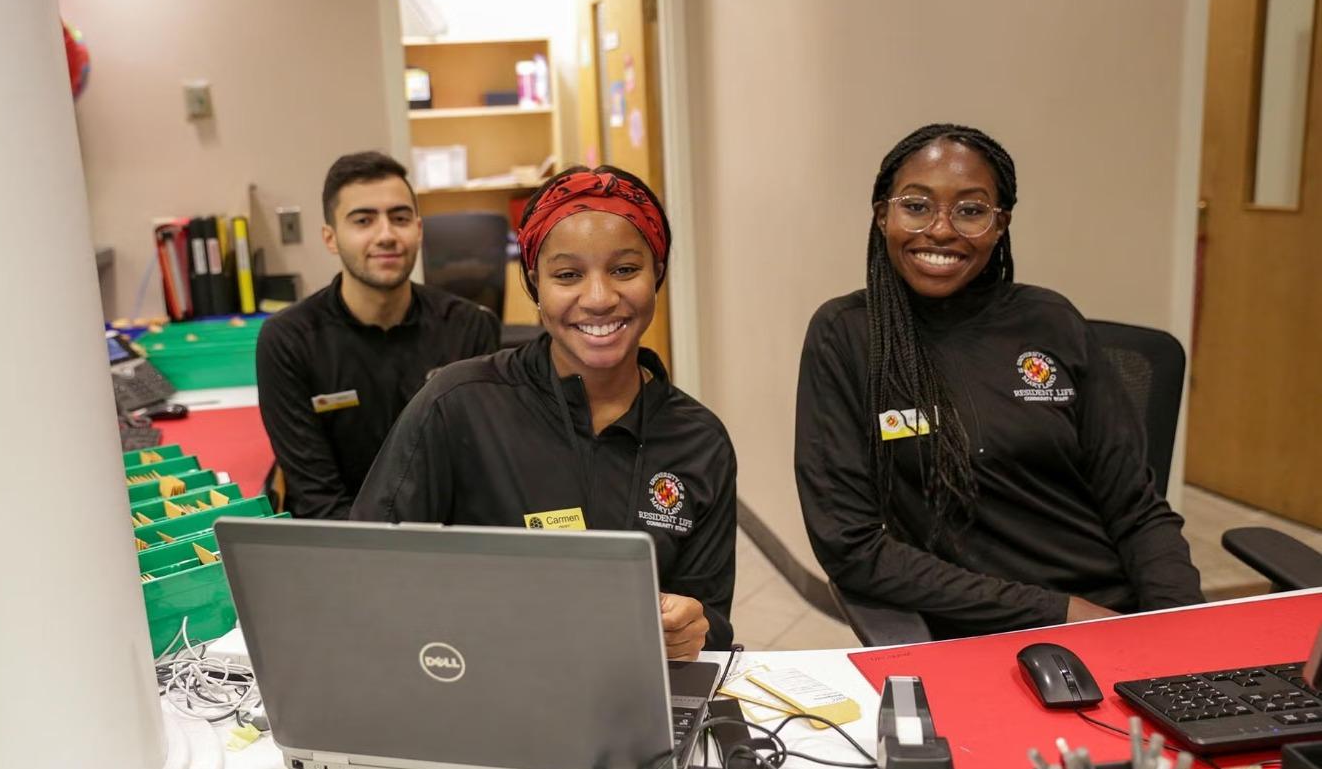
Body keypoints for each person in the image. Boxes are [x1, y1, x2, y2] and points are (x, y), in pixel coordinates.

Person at [795, 123, 1203, 639]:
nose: (941, 230)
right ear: (883, 216)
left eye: (970, 210)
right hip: (981, 629)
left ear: (1000, 224)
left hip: (1114, 613)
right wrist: (1061, 612)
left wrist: (1184, 626)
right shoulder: (847, 336)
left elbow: (1136, 508)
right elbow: (852, 548)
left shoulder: (1051, 321)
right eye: (916, 205)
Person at [350, 165, 737, 658]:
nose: (598, 298)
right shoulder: (457, 405)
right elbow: (366, 571)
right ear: (535, 285)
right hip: (476, 682)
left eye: (624, 269)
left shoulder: (699, 441)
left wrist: (694, 628)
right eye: (568, 275)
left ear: (657, 274)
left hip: (634, 703)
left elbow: (713, 620)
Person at [257, 151, 500, 519]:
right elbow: (317, 498)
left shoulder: (469, 327)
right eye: (363, 220)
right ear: (331, 238)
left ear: (418, 230)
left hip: (442, 540)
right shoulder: (288, 341)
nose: (386, 235)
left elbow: (475, 472)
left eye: (399, 218)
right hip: (341, 543)